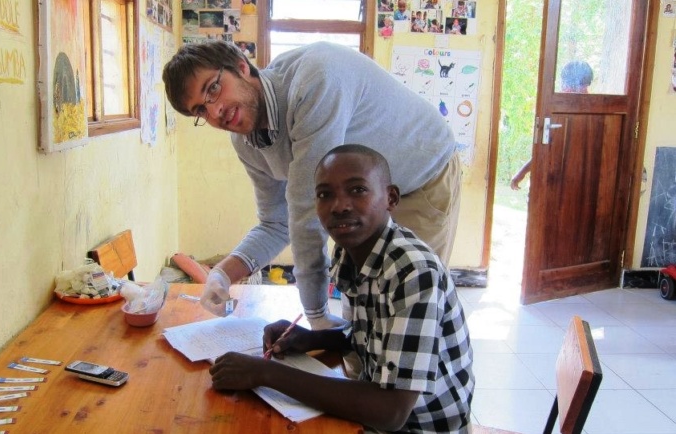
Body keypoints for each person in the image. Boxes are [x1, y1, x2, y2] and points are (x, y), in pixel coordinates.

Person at [162, 41, 460, 330]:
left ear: (241, 66)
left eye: (213, 88)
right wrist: (222, 274)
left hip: (420, 176)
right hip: (365, 198)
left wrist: (315, 313)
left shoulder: (316, 80)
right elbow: (276, 223)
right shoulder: (245, 141)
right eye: (200, 110)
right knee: (362, 312)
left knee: (407, 304)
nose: (215, 113)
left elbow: (306, 207)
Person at [209, 145, 474, 433]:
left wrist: (266, 372)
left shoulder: (413, 272)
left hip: (419, 427)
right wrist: (312, 339)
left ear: (391, 198)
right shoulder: (352, 250)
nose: (339, 206)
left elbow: (391, 411)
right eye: (325, 194)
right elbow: (373, 334)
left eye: (357, 190)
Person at [510, 60, 593, 190]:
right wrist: (522, 173)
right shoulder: (561, 110)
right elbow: (544, 149)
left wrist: (522, 173)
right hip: (555, 183)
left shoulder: (591, 114)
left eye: (565, 84)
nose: (563, 88)